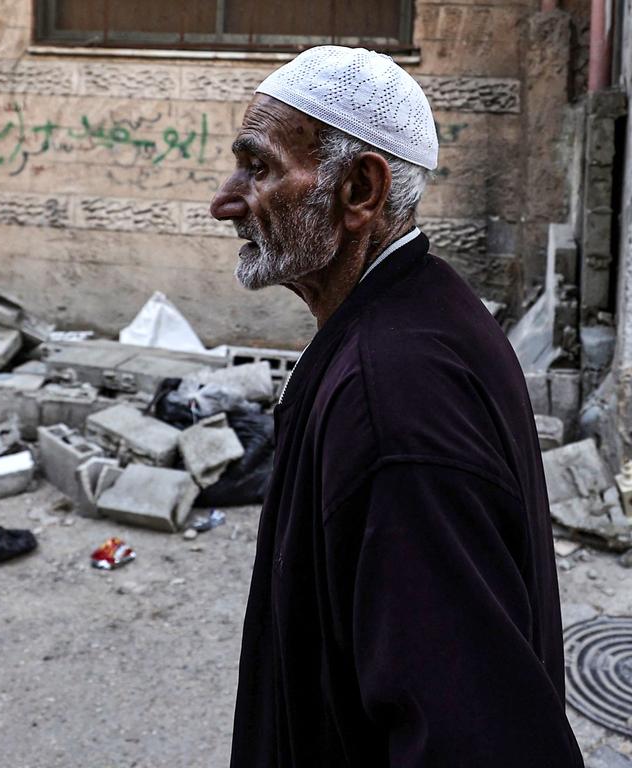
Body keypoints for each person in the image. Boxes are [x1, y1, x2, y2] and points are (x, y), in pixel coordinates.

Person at [209, 46, 585, 767]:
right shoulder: (421, 313)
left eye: (258, 168)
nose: (225, 201)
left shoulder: (395, 398)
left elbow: (476, 740)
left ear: (359, 189)